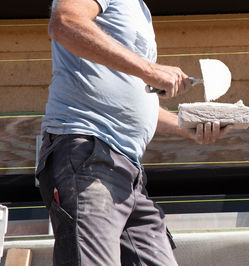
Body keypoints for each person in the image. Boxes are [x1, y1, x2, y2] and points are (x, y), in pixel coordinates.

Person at [35, 0, 231, 265]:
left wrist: (188, 127)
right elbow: (65, 22)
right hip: (88, 155)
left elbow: (133, 98)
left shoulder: (139, 9)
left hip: (127, 173)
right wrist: (150, 70)